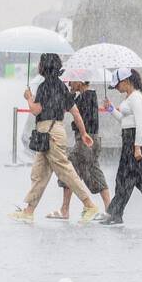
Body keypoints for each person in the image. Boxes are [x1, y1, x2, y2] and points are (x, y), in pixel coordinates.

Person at [7, 54, 100, 224]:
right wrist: (84, 132)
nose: (38, 65)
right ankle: (29, 211)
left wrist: (28, 97)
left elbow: (35, 110)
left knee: (65, 171)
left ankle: (89, 205)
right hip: (55, 131)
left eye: (40, 63)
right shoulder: (62, 87)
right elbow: (75, 112)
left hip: (49, 133)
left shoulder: (44, 87)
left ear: (45, 66)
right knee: (39, 173)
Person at [99, 68, 142, 227]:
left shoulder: (136, 98)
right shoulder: (129, 98)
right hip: (128, 138)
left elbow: (140, 124)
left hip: (134, 140)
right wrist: (111, 109)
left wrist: (137, 146)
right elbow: (123, 120)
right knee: (138, 179)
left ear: (126, 81)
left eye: (117, 85)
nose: (116, 88)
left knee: (126, 178)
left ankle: (115, 214)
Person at [56, 80, 112, 219]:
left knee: (68, 171)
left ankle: (66, 209)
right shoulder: (89, 96)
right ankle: (110, 209)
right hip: (94, 141)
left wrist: (71, 98)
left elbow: (77, 117)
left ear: (80, 81)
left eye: (72, 81)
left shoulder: (85, 97)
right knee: (94, 172)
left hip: (85, 142)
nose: (69, 84)